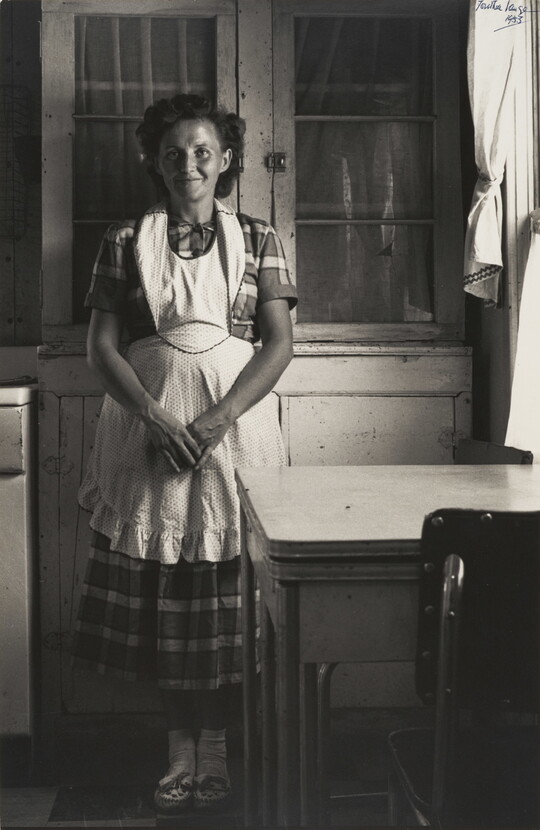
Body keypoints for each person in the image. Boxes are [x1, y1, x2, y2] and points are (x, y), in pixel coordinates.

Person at [72, 93, 297, 814]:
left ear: (226, 159)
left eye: (203, 151)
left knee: (226, 594)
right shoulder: (123, 240)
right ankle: (178, 751)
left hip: (233, 437)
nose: (189, 164)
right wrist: (155, 417)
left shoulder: (258, 237)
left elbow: (278, 345)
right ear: (154, 161)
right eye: (173, 153)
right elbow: (101, 347)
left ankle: (218, 751)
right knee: (166, 596)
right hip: (145, 433)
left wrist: (218, 418)